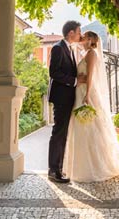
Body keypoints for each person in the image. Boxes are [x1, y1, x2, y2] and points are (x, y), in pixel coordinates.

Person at [63, 31, 119, 182]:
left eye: (85, 36)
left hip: (86, 93)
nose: (82, 37)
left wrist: (87, 95)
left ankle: (95, 166)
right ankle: (79, 167)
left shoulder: (92, 54)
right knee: (80, 128)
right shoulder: (84, 52)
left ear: (91, 39)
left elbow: (91, 76)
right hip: (79, 91)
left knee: (90, 127)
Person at [47, 20, 85, 183]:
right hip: (61, 97)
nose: (80, 35)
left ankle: (59, 168)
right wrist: (75, 81)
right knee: (59, 132)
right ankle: (54, 170)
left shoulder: (69, 49)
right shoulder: (57, 48)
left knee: (63, 133)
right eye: (78, 32)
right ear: (71, 33)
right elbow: (54, 72)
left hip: (68, 97)